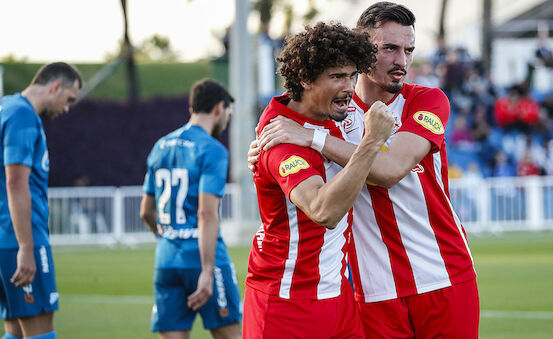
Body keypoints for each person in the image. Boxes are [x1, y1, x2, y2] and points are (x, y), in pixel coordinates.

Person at [253, 3, 479, 338]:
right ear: (361, 51)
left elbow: (389, 169)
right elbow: (289, 113)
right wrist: (263, 148)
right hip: (373, 294)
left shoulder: (428, 102)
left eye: (408, 50)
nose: (401, 61)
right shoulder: (333, 113)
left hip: (443, 276)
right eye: (389, 48)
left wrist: (311, 138)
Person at [244, 22, 394, 338]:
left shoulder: (325, 113)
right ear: (306, 80)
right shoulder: (281, 141)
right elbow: (323, 211)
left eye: (353, 75)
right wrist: (370, 142)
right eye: (337, 76)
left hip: (338, 295)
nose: (349, 86)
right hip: (288, 303)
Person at [140, 79, 242, 339]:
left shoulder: (160, 146)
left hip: (167, 260)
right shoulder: (213, 150)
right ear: (219, 108)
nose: (226, 121)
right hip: (204, 259)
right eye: (228, 114)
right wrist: (207, 271)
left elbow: (146, 212)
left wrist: (167, 238)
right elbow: (207, 213)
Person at [0, 62, 82, 339]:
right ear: (55, 86)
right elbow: (15, 181)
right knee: (39, 332)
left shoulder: (6, 108)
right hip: (18, 237)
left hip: (4, 239)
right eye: (69, 99)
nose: (67, 108)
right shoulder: (22, 116)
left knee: (15, 330)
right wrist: (26, 246)